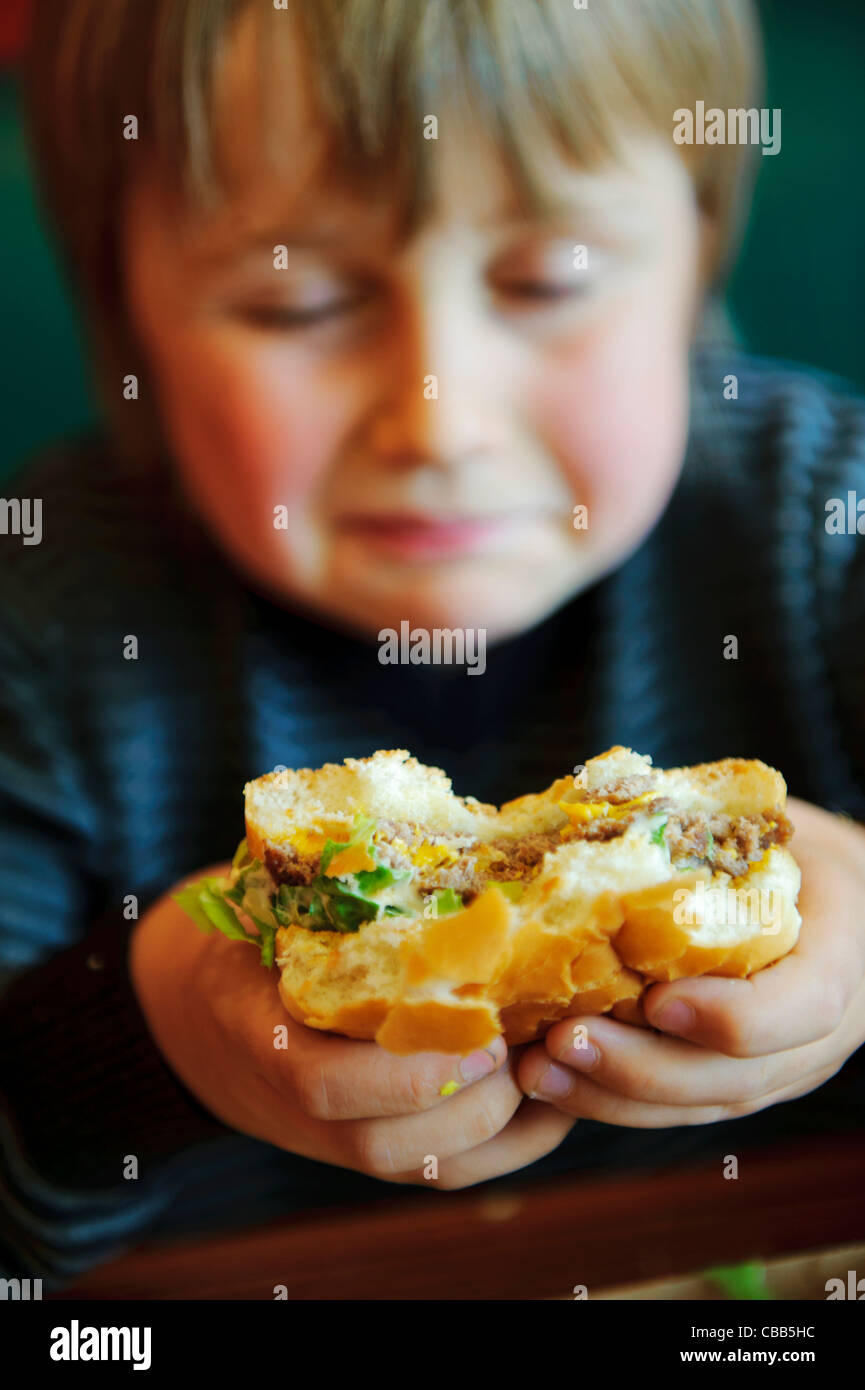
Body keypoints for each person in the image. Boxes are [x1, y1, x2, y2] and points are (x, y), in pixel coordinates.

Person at [2, 0, 864, 1288]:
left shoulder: (829, 524)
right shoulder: (43, 625)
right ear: (128, 316)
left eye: (547, 280)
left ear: (695, 259)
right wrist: (146, 1028)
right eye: (294, 300)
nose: (440, 421)